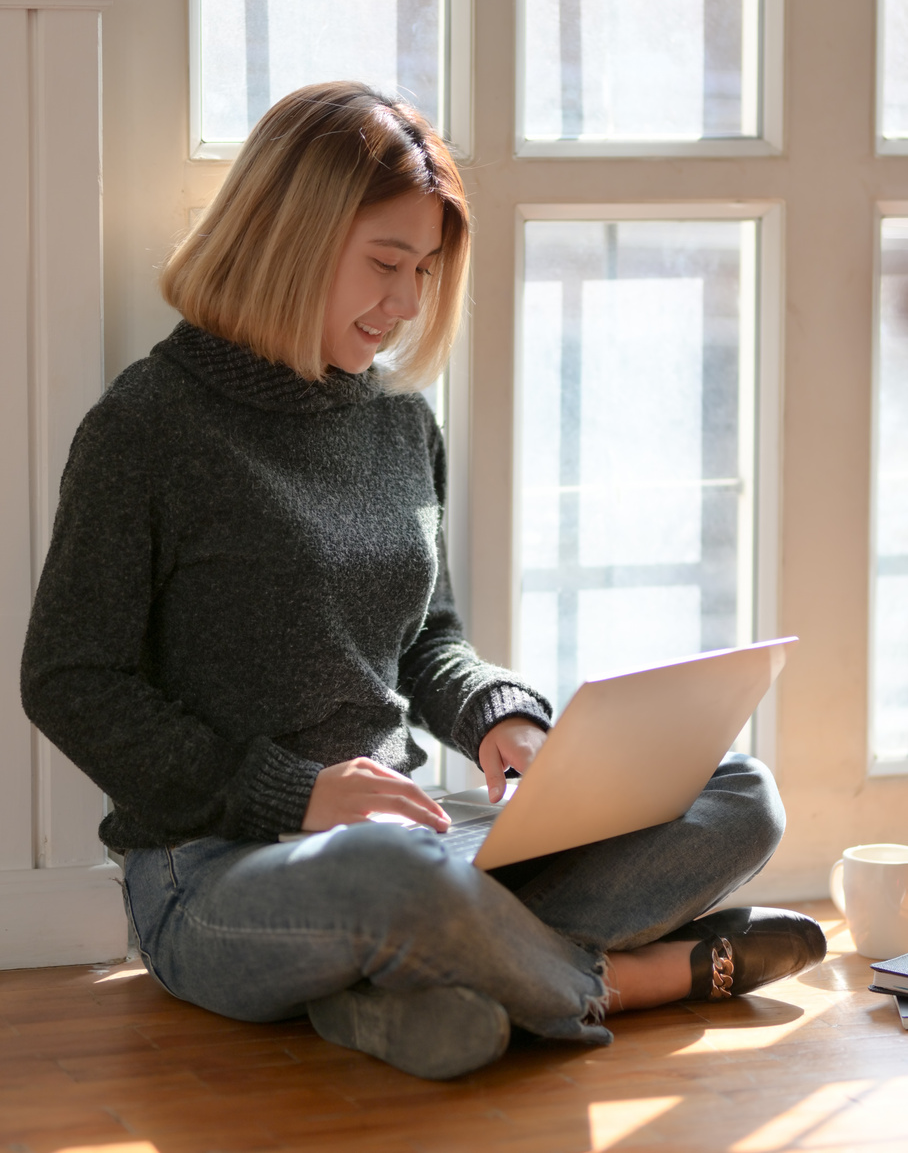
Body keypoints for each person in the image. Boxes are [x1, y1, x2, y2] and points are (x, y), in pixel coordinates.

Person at [20, 81, 825, 1082]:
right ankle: (623, 980)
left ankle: (414, 995)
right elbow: (68, 678)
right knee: (387, 879)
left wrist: (499, 720)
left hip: (414, 838)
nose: (406, 305)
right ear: (288, 236)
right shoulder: (147, 428)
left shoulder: (399, 425)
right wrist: (296, 794)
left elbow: (424, 638)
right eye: (385, 264)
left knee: (737, 792)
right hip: (215, 874)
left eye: (426, 269)